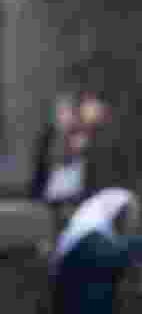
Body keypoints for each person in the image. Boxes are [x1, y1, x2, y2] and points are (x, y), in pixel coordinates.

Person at [50, 188, 142, 314]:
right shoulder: (120, 202)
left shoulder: (92, 216)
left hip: (72, 259)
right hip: (84, 247)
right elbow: (128, 232)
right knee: (138, 246)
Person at [29, 91, 112, 240]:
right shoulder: (50, 135)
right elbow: (45, 162)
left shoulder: (82, 133)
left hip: (75, 190)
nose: (64, 116)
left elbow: (86, 161)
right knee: (59, 224)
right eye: (61, 112)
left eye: (68, 111)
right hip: (57, 191)